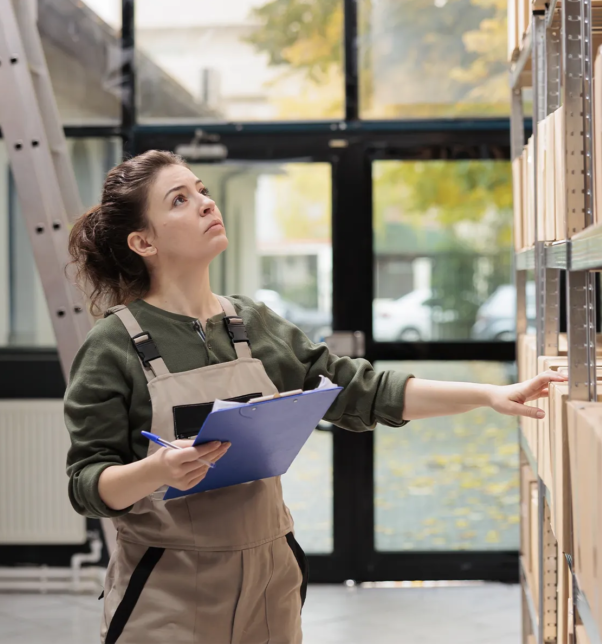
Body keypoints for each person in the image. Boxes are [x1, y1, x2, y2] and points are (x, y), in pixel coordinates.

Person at [63, 150, 566, 644]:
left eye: (203, 190)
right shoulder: (113, 346)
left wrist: (489, 394)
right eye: (179, 199)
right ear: (143, 241)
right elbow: (87, 484)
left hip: (269, 584)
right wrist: (157, 471)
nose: (204, 203)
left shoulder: (253, 325)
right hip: (167, 591)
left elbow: (361, 391)